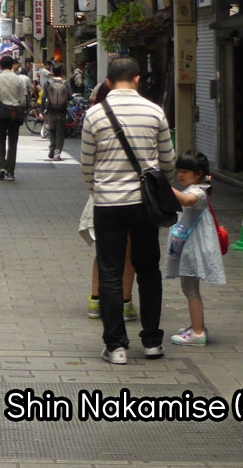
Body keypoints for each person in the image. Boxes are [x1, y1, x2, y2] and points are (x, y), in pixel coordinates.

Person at [81, 56, 174, 366]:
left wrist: (99, 191)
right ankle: (151, 343)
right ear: (137, 79)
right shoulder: (155, 111)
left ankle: (116, 346)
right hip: (144, 204)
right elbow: (167, 162)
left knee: (110, 271)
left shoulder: (94, 114)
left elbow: (86, 165)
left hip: (108, 204)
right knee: (149, 269)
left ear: (108, 82)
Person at [84, 84, 137, 325]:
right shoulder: (147, 111)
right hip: (135, 195)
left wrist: (94, 191)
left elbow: (87, 163)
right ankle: (125, 303)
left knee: (103, 252)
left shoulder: (94, 115)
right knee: (127, 253)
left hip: (104, 194)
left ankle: (96, 301)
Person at [165, 151, 225, 346]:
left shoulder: (197, 192)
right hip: (189, 247)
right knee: (189, 289)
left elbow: (187, 200)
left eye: (185, 171)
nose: (180, 175)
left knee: (191, 290)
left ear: (198, 173)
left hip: (193, 249)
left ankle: (198, 332)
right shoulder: (196, 188)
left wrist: (164, 186)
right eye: (178, 171)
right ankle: (196, 326)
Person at [0, 55, 28, 181]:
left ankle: (1, 167)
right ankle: (10, 171)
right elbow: (22, 99)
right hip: (15, 112)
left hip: (1, 112)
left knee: (1, 140)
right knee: (13, 142)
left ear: (0, 66)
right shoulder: (19, 79)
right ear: (12, 66)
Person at [43, 62, 72, 161]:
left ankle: (51, 148)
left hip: (50, 110)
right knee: (60, 131)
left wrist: (41, 111)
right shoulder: (66, 83)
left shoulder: (47, 83)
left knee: (51, 129)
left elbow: (43, 98)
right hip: (62, 110)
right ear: (61, 72)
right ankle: (57, 153)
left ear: (52, 72)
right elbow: (70, 96)